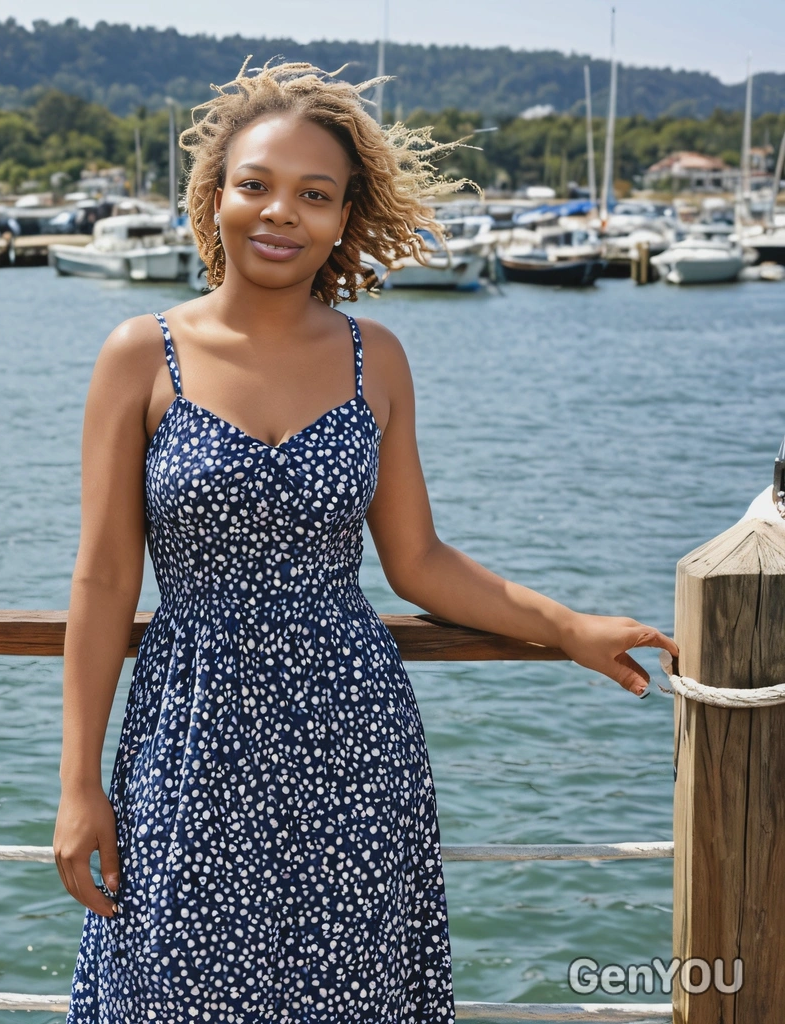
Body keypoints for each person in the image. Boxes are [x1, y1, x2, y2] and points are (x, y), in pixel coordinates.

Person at [53, 59, 677, 1024]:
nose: (279, 213)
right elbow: (102, 580)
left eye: (314, 194)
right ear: (215, 195)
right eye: (256, 185)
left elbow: (418, 560)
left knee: (347, 989)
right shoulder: (142, 352)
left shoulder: (373, 356)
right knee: (175, 986)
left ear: (344, 218)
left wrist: (568, 629)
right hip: (189, 727)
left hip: (352, 731)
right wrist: (79, 785)